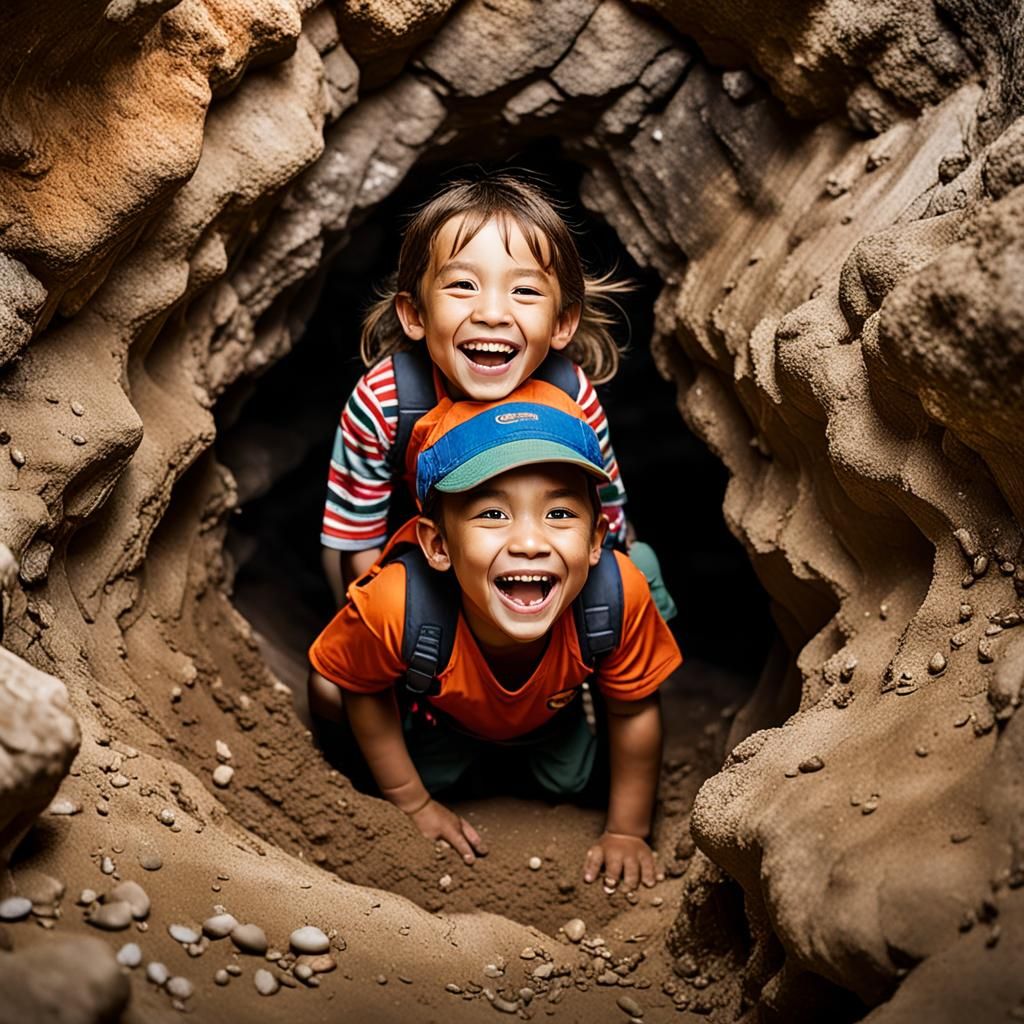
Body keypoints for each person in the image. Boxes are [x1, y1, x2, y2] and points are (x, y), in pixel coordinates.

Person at [308, 382, 683, 891]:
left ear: (596, 540)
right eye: (491, 514)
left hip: (552, 723)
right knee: (331, 688)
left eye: (559, 514)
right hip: (440, 723)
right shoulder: (398, 601)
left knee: (574, 782)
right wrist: (411, 801)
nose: (529, 542)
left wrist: (627, 830)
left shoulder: (615, 594)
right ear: (438, 544)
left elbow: (634, 708)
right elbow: (362, 688)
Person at [319, 172, 633, 605]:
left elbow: (607, 506)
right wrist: (368, 630)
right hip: (423, 566)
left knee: (638, 570)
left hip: (526, 569)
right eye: (463, 285)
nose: (492, 312)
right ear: (415, 314)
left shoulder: (571, 396)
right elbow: (353, 536)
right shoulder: (387, 401)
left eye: (524, 290)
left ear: (562, 323)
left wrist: (618, 583)